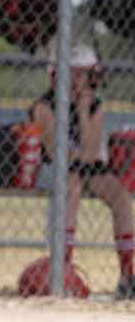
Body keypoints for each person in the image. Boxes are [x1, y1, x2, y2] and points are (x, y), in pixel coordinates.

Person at [30, 43, 134, 299]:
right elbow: (57, 154)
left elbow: (89, 152)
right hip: (49, 170)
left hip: (85, 168)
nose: (79, 81)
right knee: (72, 185)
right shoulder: (44, 106)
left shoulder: (94, 106)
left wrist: (83, 111)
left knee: (120, 196)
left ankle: (128, 273)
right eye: (73, 74)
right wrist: (80, 156)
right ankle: (62, 271)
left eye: (84, 75)